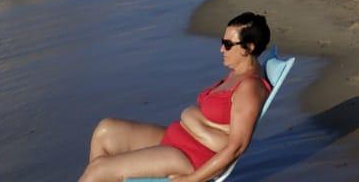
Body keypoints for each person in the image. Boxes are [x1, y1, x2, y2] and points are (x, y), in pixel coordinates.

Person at [79, 12, 272, 182]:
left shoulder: (250, 87)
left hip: (190, 156)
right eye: (222, 43)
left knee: (98, 170)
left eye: (228, 44)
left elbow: (237, 147)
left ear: (248, 47)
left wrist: (192, 179)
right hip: (178, 139)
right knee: (105, 131)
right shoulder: (236, 74)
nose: (221, 49)